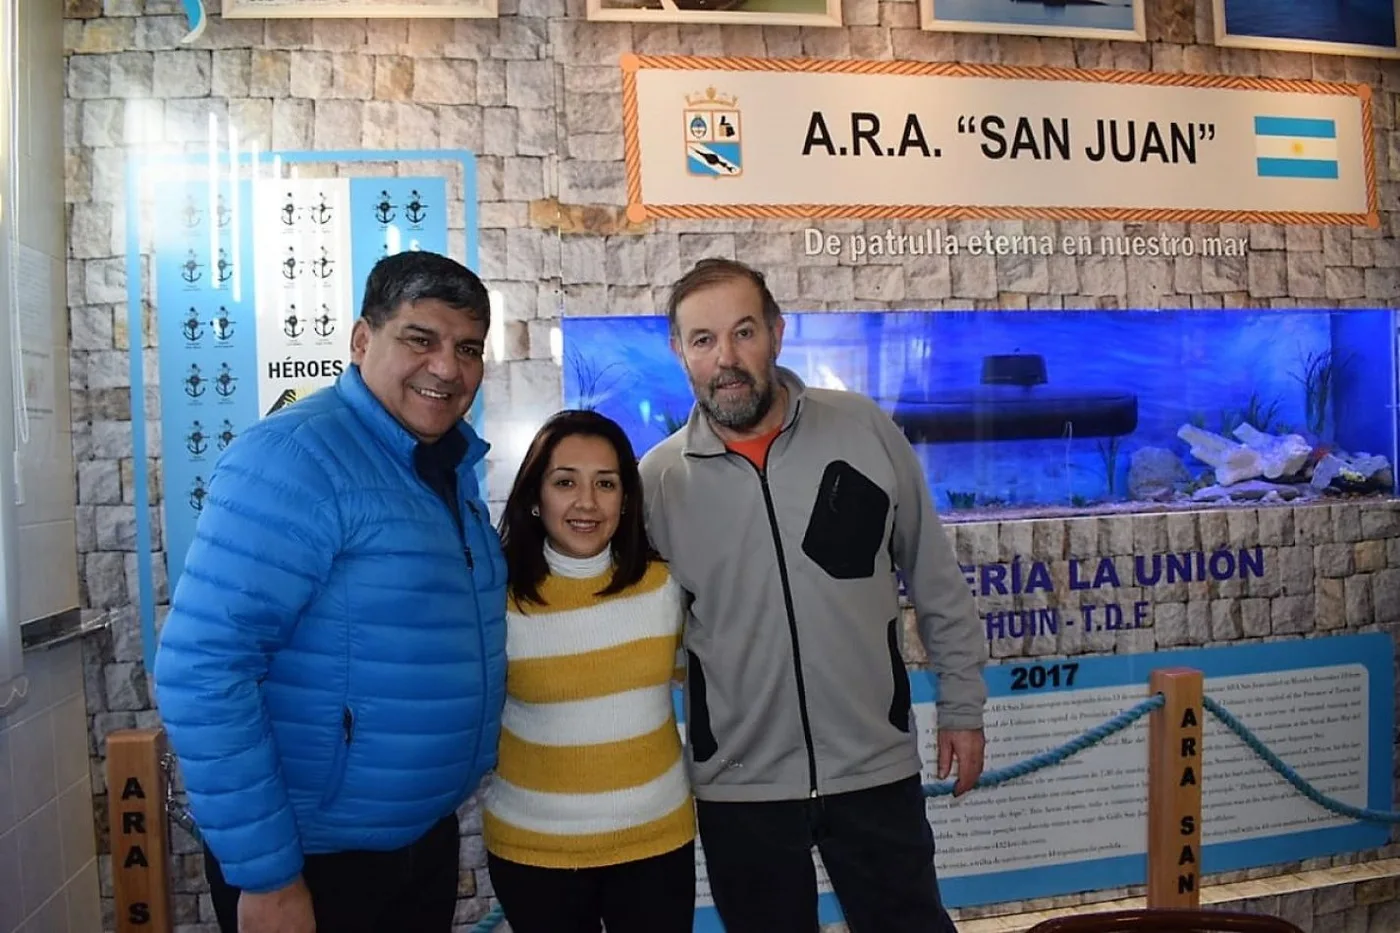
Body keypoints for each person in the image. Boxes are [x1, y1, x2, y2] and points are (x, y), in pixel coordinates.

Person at [153, 250, 508, 933]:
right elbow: (205, 667)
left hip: (412, 844)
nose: (447, 367)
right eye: (420, 339)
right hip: (316, 863)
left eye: (467, 348)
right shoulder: (297, 458)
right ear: (360, 339)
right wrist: (268, 874)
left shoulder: (443, 464)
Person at [638, 257, 990, 933]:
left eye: (744, 332)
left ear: (777, 332)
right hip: (740, 787)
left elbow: (934, 574)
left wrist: (963, 705)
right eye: (704, 339)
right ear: (680, 351)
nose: (727, 358)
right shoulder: (658, 482)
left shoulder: (862, 430)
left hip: (873, 766)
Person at [484, 409, 696, 933]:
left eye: (606, 483)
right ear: (535, 496)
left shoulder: (665, 587)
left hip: (657, 847)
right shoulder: (494, 600)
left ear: (626, 499)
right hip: (535, 856)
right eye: (565, 482)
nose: (586, 502)